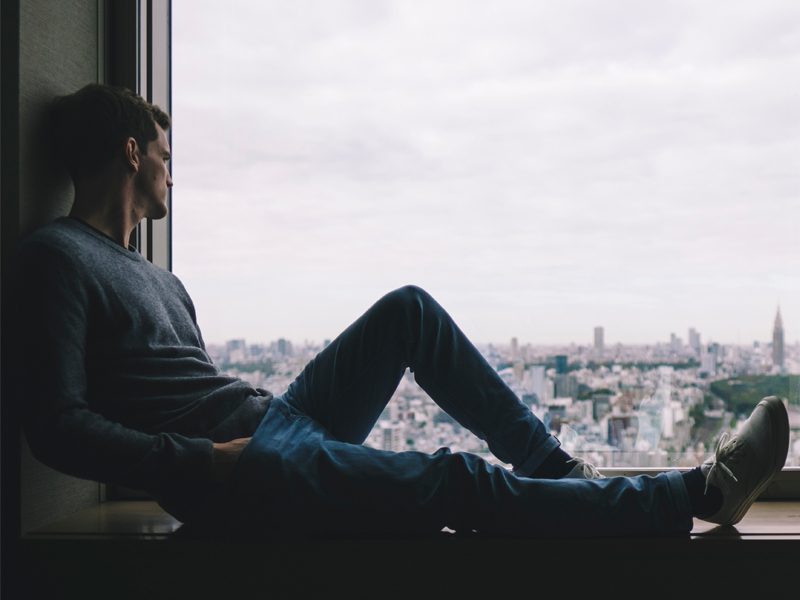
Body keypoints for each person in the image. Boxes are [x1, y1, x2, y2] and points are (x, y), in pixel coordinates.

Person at [11, 83, 790, 539]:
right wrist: (203, 463)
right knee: (453, 479)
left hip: (267, 428)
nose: (172, 178)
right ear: (131, 153)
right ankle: (698, 494)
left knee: (408, 311)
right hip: (237, 472)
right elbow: (55, 426)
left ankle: (560, 470)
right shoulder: (58, 257)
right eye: (166, 158)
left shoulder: (161, 281)